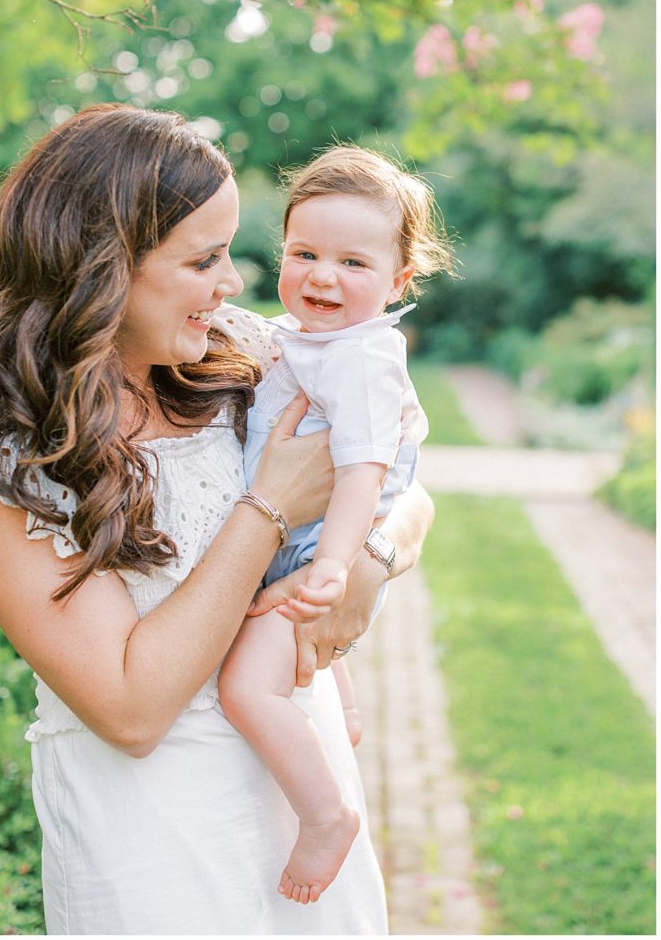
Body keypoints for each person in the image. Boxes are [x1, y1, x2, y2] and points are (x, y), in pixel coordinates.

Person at [0, 103, 435, 936]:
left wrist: (368, 562)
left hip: (300, 779)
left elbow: (408, 489)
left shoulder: (241, 351)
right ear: (100, 270)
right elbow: (130, 709)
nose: (232, 284)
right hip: (155, 828)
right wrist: (268, 508)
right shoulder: (7, 455)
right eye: (203, 260)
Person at [218, 146, 452, 905]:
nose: (322, 276)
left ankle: (326, 816)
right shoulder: (308, 336)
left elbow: (363, 471)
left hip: (325, 547)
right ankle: (342, 703)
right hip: (306, 544)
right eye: (304, 252)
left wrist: (337, 566)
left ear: (399, 282)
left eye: (353, 262)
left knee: (248, 690)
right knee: (290, 654)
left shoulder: (361, 360)